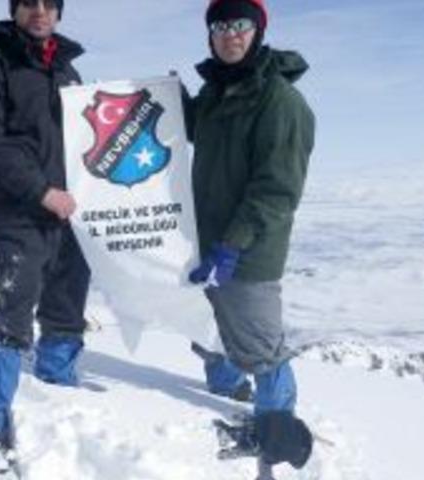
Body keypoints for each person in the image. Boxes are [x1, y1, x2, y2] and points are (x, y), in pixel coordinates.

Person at [0, 0, 90, 472]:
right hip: (19, 213)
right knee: (15, 314)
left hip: (70, 211)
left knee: (66, 311)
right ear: (14, 10)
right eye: (28, 3)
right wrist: (41, 192)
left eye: (48, 4)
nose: (39, 11)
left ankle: (56, 393)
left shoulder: (69, 72)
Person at [186, 0, 315, 476]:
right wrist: (161, 96)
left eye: (240, 24)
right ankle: (225, 394)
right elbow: (190, 127)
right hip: (209, 243)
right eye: (220, 26)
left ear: (257, 31)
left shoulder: (279, 100)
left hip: (249, 252)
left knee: (263, 351)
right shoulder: (218, 92)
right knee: (211, 329)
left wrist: (233, 243)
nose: (230, 34)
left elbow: (278, 188)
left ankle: (275, 444)